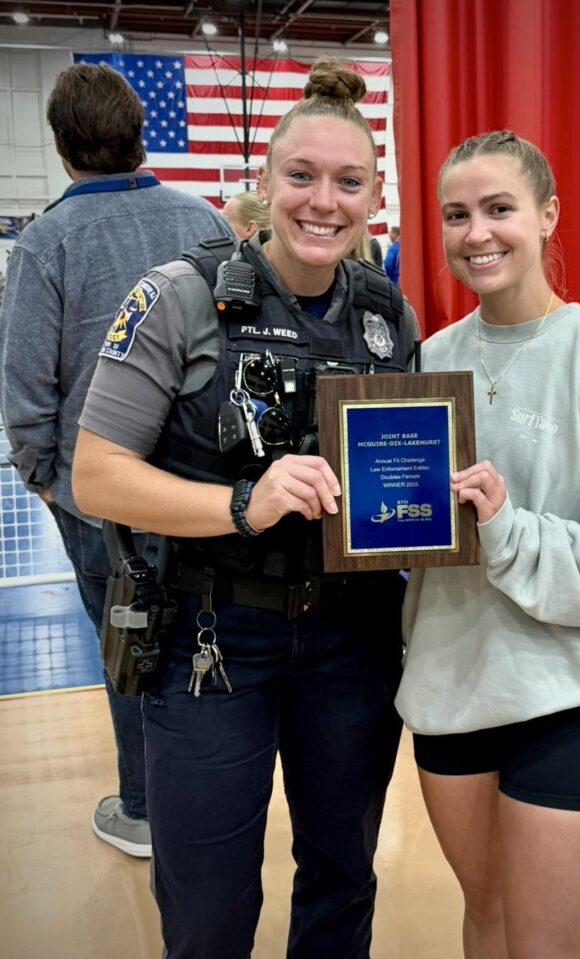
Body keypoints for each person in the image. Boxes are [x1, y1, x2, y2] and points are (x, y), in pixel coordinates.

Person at [72, 57, 419, 958]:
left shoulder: (387, 314)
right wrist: (241, 501)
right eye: (300, 176)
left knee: (343, 879)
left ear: (375, 196)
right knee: (211, 906)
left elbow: (402, 471)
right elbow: (97, 474)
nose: (322, 201)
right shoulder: (180, 296)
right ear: (261, 185)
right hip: (209, 640)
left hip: (351, 639)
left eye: (349, 181)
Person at [395, 130, 580, 959]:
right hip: (450, 690)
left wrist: (507, 528)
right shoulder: (425, 363)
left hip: (565, 699)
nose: (476, 232)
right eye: (456, 214)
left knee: (547, 945)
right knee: (485, 915)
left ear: (547, 216)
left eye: (498, 209)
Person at [0, 62, 231, 859]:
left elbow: (26, 390)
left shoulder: (44, 243)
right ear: (141, 136)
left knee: (126, 641)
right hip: (206, 489)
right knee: (210, 629)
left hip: (99, 499)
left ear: (63, 149)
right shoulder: (207, 220)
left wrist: (52, 482)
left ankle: (144, 808)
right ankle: (210, 793)